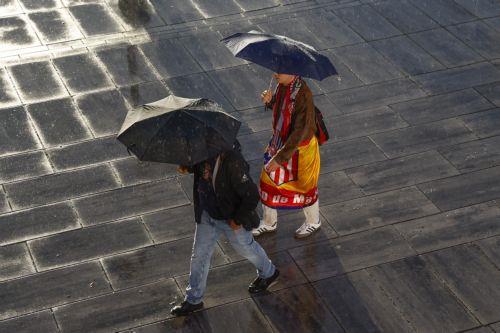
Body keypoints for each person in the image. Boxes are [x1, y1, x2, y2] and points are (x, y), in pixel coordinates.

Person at [170, 144, 279, 316]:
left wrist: (237, 219)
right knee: (199, 255)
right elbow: (201, 171)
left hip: (230, 217)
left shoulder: (233, 161)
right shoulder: (201, 151)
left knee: (246, 248)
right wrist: (187, 165)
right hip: (207, 212)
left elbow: (252, 195)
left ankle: (269, 272)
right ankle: (193, 299)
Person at [253, 73, 321, 239]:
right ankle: (269, 222)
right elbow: (284, 114)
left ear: (292, 72)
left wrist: (279, 158)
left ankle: (313, 221)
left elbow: (300, 132)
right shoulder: (284, 86)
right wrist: (270, 101)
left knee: (305, 187)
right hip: (281, 143)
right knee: (266, 181)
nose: (275, 73)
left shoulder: (303, 94)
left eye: (280, 70)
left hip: (300, 150)